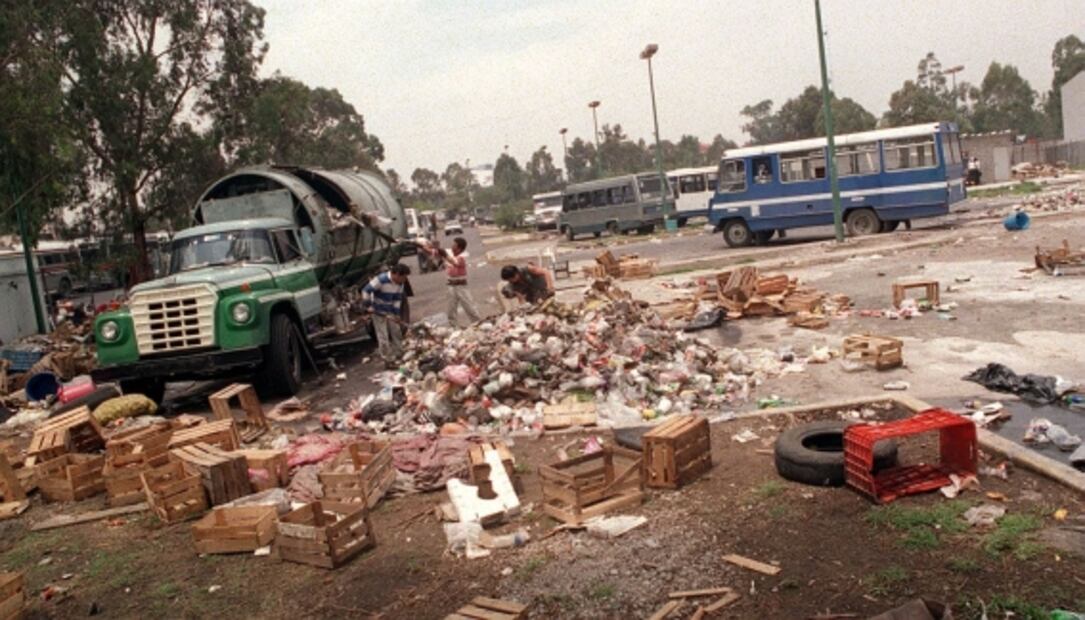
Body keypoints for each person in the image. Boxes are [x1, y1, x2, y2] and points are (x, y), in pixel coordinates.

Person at [420, 236, 482, 326]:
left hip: (461, 287)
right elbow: (431, 251)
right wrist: (421, 245)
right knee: (451, 311)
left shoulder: (463, 255)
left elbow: (456, 263)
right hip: (451, 285)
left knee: (470, 308)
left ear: (459, 248)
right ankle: (454, 327)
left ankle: (479, 324)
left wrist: (444, 254)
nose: (452, 247)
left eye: (454, 245)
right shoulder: (449, 252)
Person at [362, 263, 411, 368]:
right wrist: (368, 305)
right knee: (383, 336)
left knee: (396, 332)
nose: (404, 280)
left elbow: (397, 299)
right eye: (403, 277)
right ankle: (388, 361)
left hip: (390, 310)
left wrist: (396, 314)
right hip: (378, 311)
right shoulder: (381, 279)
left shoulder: (400, 284)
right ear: (397, 274)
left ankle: (399, 354)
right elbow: (366, 290)